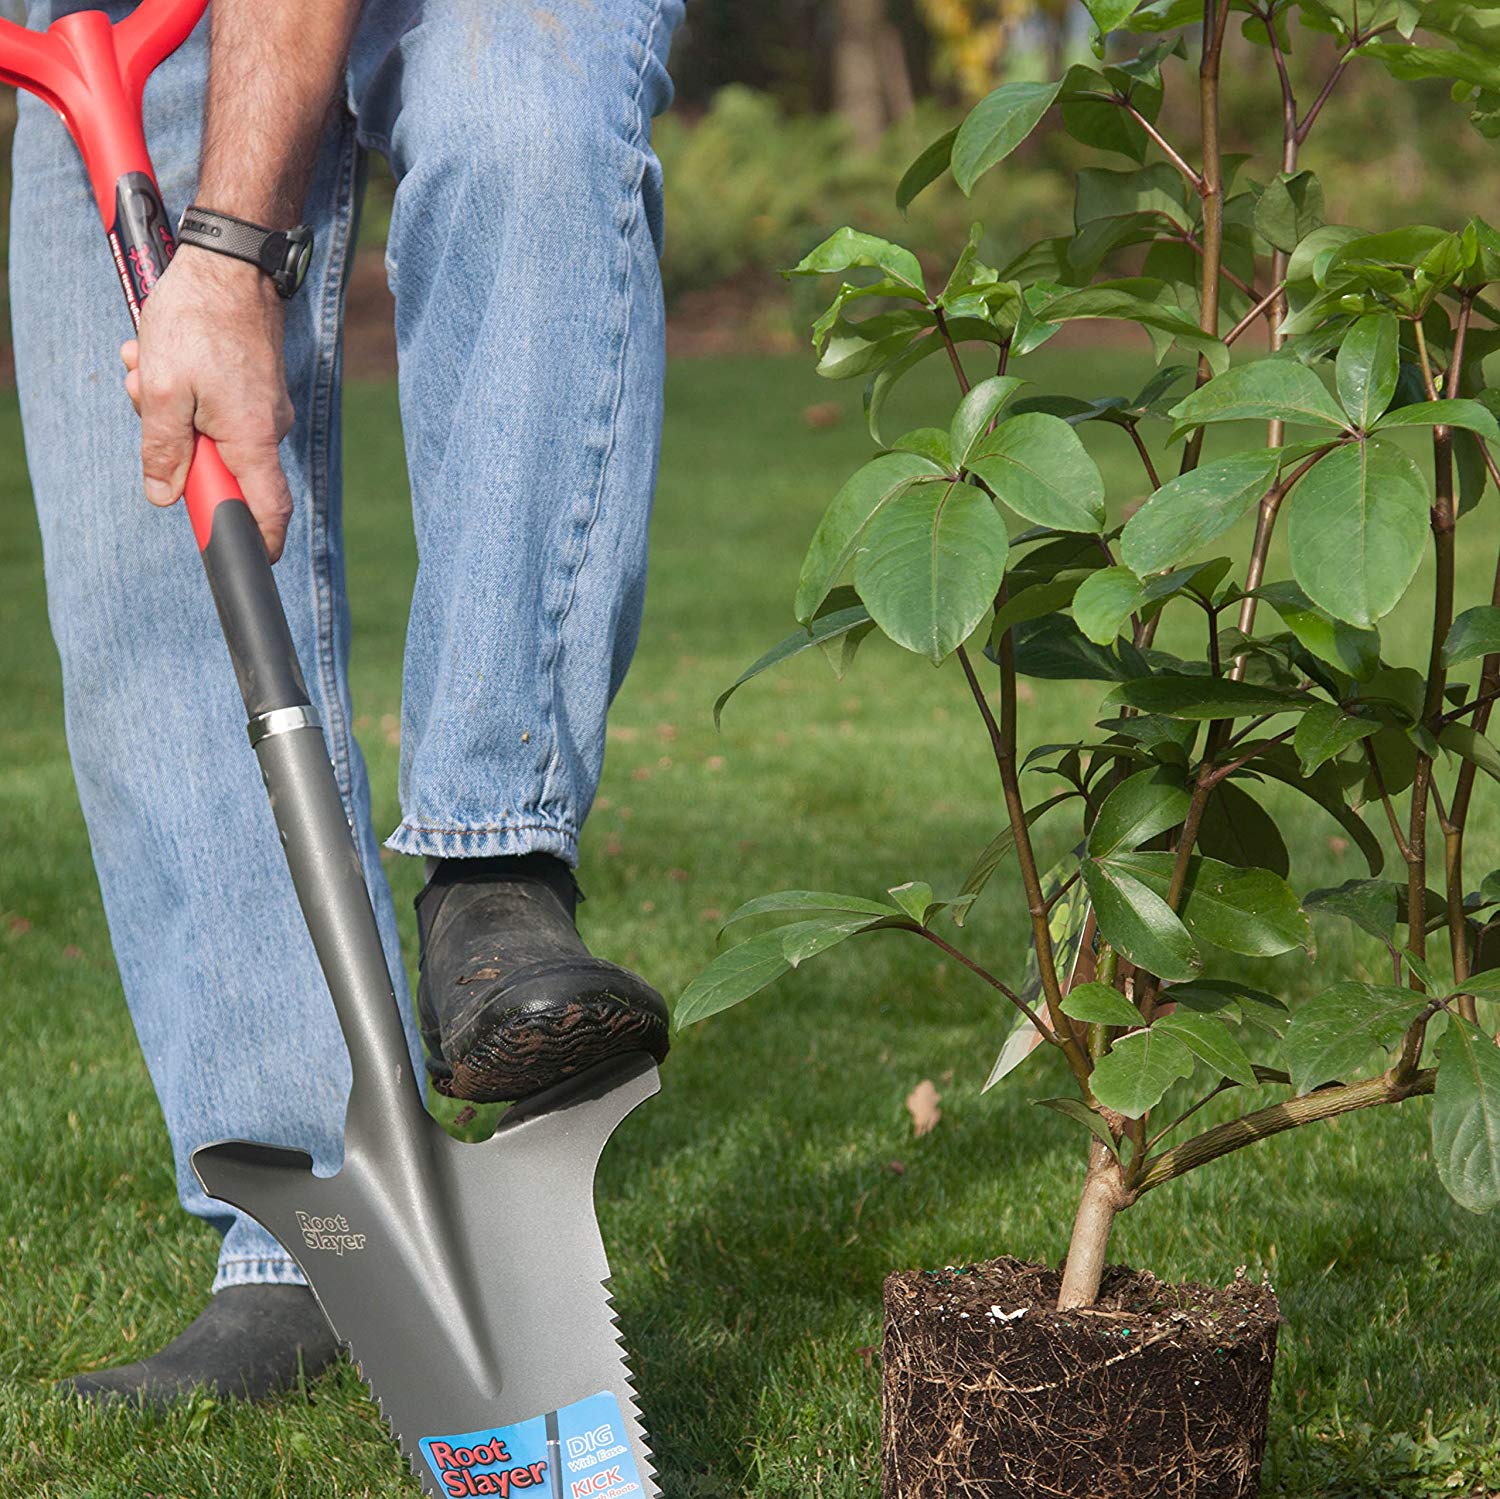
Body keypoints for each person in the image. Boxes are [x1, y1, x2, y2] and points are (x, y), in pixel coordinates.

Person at [9, 0, 681, 1406]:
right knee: (156, 509)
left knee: (528, 131)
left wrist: (231, 247)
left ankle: (494, 872)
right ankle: (308, 1224)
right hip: (103, 24)